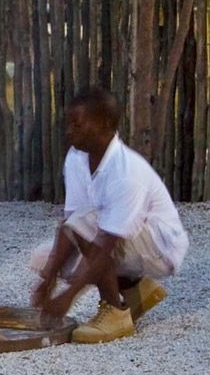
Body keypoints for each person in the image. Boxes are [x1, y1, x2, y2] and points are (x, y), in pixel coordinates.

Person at [30, 85, 188, 345]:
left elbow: (105, 245)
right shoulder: (76, 158)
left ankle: (115, 311)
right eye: (68, 124)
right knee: (42, 259)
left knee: (88, 229)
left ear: (103, 123)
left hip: (159, 249)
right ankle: (135, 290)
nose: (69, 131)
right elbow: (70, 224)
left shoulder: (126, 173)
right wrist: (48, 280)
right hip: (120, 240)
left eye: (77, 125)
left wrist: (68, 296)